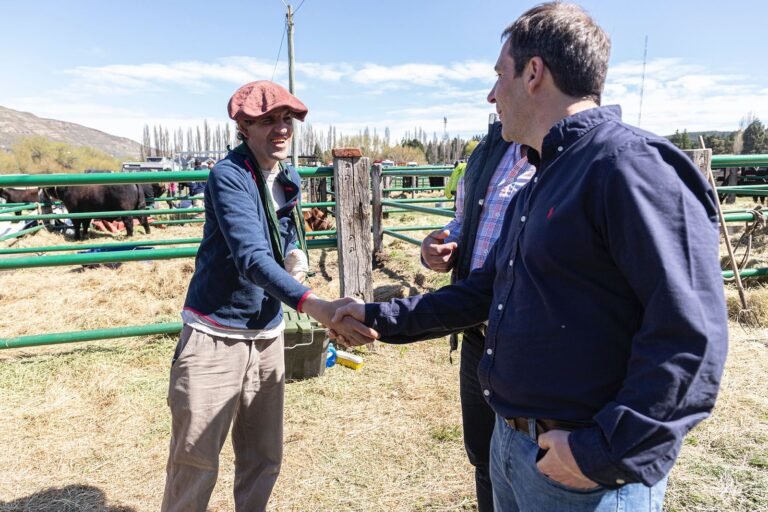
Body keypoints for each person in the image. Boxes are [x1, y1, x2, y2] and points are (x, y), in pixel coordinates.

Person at [332, 3, 728, 511]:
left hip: (580, 473)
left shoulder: (628, 166)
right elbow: (482, 292)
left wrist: (605, 454)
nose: (492, 94)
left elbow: (691, 332)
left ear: (534, 72)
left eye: (500, 74)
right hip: (514, 444)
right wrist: (375, 316)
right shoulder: (539, 183)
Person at [161, 80, 375, 512]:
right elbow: (251, 257)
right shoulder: (229, 175)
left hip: (266, 332)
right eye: (267, 120)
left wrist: (295, 255)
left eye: (286, 119)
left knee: (264, 456)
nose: (281, 129)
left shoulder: (287, 177)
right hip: (216, 331)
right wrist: (315, 305)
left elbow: (283, 235)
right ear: (243, 127)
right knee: (196, 458)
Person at [419, 115, 534, 511]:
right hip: (477, 333)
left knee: (533, 468)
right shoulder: (487, 150)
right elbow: (464, 221)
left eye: (501, 82)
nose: (492, 95)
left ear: (533, 81)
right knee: (484, 457)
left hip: (527, 340)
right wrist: (440, 247)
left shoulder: (563, 157)